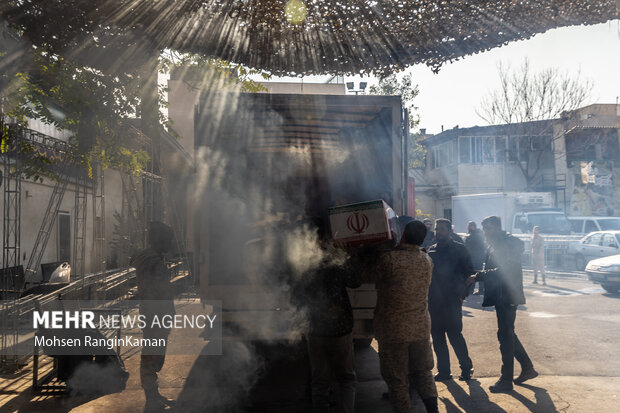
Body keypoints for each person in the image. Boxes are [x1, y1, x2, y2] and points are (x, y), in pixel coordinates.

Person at [361, 220, 438, 413]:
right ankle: (433, 410)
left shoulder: (389, 259)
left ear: (403, 234)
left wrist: (369, 250)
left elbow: (366, 276)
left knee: (397, 378)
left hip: (393, 331)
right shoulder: (426, 260)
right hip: (420, 329)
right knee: (423, 373)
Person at [294, 218, 361, 413]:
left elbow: (296, 294)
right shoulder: (337, 258)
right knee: (347, 378)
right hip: (340, 328)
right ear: (325, 236)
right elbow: (355, 281)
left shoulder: (301, 262)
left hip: (315, 328)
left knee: (320, 381)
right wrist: (350, 255)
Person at [466, 216, 538, 393]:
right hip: (501, 295)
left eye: (489, 228)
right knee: (507, 334)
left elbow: (504, 269)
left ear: (498, 227)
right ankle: (527, 368)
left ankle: (506, 380)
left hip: (508, 295)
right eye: (484, 229)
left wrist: (480, 275)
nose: (486, 232)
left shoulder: (507, 243)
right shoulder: (495, 244)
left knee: (505, 336)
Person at [132, 221, 176, 411]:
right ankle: (151, 400)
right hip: (155, 315)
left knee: (154, 355)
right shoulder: (152, 261)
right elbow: (159, 289)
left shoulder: (150, 258)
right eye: (167, 240)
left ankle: (154, 395)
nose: (170, 244)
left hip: (155, 314)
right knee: (152, 356)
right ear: (160, 241)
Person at [427, 219, 475, 382]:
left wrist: (462, 295)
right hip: (434, 302)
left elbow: (470, 274)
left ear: (449, 231)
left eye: (441, 229)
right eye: (436, 229)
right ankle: (444, 371)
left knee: (455, 336)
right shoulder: (431, 251)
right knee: (438, 338)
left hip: (452, 301)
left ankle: (466, 368)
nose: (438, 232)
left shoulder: (459, 249)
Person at [465, 221, 486, 294]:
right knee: (476, 272)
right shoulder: (475, 234)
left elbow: (470, 247)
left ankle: (477, 290)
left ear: (473, 226)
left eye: (469, 226)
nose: (468, 227)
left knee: (476, 272)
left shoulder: (475, 235)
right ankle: (476, 289)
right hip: (476, 257)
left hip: (475, 257)